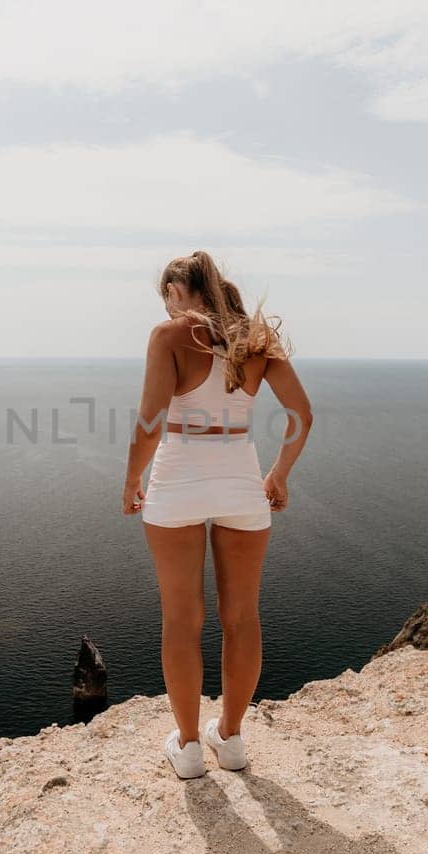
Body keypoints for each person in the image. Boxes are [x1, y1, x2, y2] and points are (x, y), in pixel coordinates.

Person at [122, 251, 313, 779]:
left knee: (182, 620)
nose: (165, 304)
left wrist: (131, 479)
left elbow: (151, 422)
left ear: (184, 291)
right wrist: (279, 475)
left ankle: (187, 748)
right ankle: (230, 740)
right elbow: (302, 414)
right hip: (240, 480)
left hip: (178, 479)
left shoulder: (168, 336)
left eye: (168, 293)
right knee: (242, 618)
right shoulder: (256, 340)